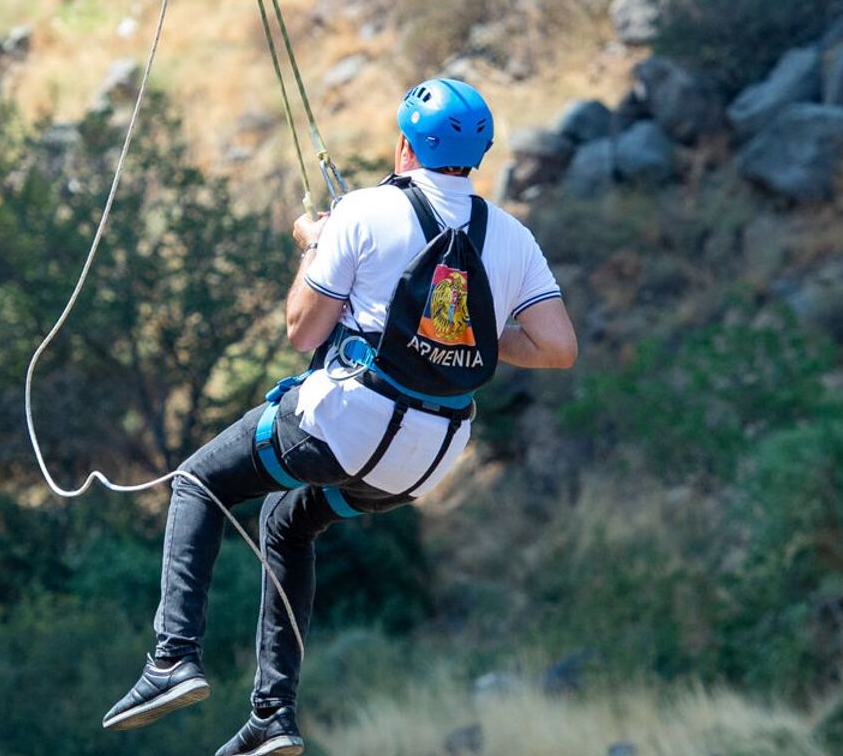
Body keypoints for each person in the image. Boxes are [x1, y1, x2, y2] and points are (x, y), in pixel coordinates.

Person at [101, 78, 578, 756]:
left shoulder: (363, 211)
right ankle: (272, 715)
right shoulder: (510, 236)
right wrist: (458, 334)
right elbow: (559, 347)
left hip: (347, 423)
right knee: (287, 524)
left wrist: (312, 247)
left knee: (200, 481)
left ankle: (172, 657)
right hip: (430, 456)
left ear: (405, 144)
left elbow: (302, 329)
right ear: (476, 153)